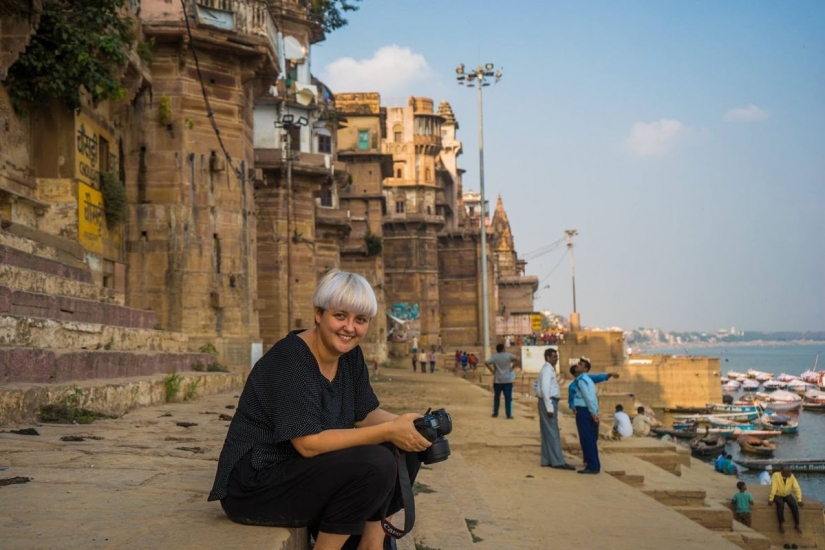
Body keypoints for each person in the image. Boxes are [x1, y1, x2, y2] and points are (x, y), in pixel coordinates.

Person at [208, 270, 432, 550]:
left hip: (301, 473)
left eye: (360, 320)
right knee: (377, 461)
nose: (349, 328)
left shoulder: (350, 355)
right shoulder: (291, 359)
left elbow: (364, 414)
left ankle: (373, 543)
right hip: (256, 484)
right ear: (318, 314)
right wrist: (388, 430)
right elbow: (309, 444)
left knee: (404, 448)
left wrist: (411, 426)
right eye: (340, 316)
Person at [569, 358, 615, 474]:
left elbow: (588, 398)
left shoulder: (582, 381)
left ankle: (592, 466)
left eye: (580, 364)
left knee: (587, 438)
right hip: (587, 410)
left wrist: (593, 413)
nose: (577, 365)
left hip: (584, 411)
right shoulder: (586, 379)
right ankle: (591, 463)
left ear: (585, 368)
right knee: (589, 438)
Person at [534, 348, 575, 470]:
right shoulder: (547, 370)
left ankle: (547, 460)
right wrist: (549, 407)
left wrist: (539, 395)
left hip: (547, 401)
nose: (556, 358)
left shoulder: (547, 370)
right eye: (554, 357)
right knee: (553, 432)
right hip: (549, 402)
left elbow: (535, 385)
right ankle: (558, 461)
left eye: (556, 356)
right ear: (548, 357)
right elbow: (545, 389)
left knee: (547, 431)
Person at [485, 343, 519, 419]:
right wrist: (512, 367)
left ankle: (495, 413)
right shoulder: (509, 355)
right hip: (507, 380)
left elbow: (486, 362)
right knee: (508, 398)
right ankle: (508, 414)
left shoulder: (495, 357)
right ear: (503, 349)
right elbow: (517, 360)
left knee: (497, 397)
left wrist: (492, 370)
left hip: (498, 380)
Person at [768, 465, 804, 534]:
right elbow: (774, 487)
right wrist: (771, 498)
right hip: (777, 494)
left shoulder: (791, 476)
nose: (789, 473)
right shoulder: (775, 476)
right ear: (781, 472)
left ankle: (797, 524)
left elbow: (797, 488)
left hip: (787, 494)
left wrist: (799, 499)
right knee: (780, 505)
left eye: (790, 471)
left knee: (794, 505)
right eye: (787, 472)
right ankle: (781, 524)